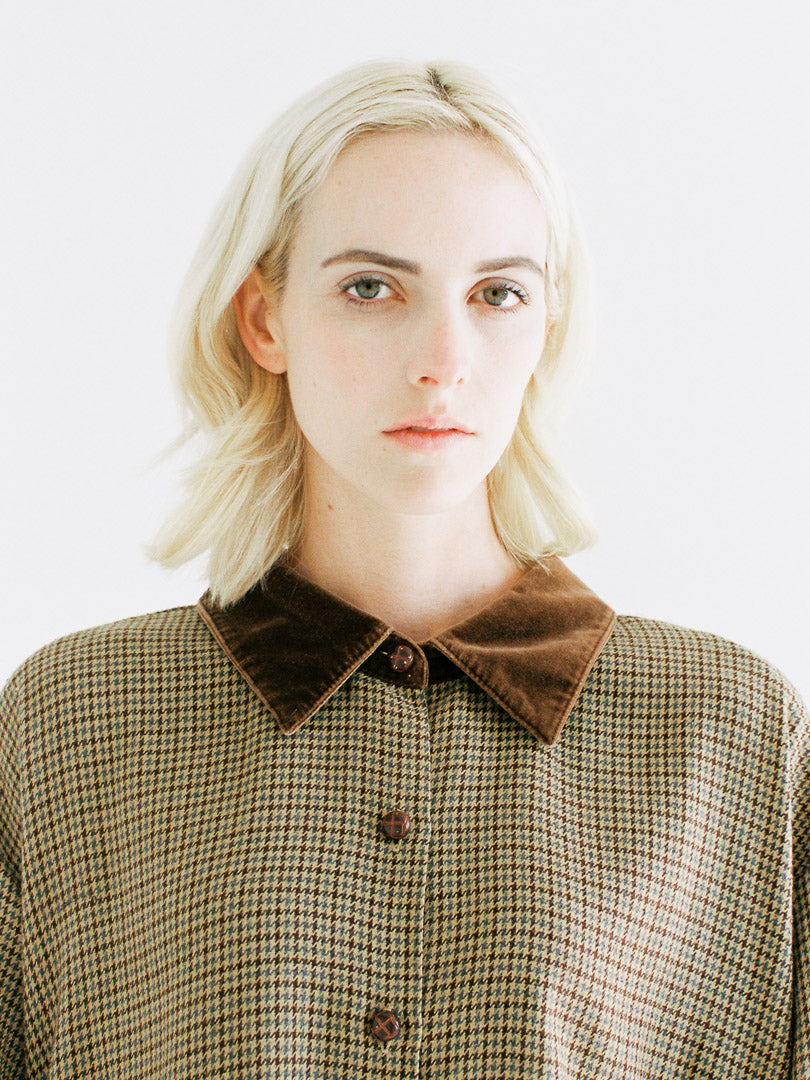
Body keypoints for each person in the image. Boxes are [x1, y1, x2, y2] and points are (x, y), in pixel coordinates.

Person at [0, 58, 807, 1079]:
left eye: (498, 293)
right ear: (265, 319)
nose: (442, 356)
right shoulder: (74, 720)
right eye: (372, 287)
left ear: (545, 324)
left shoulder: (727, 732)